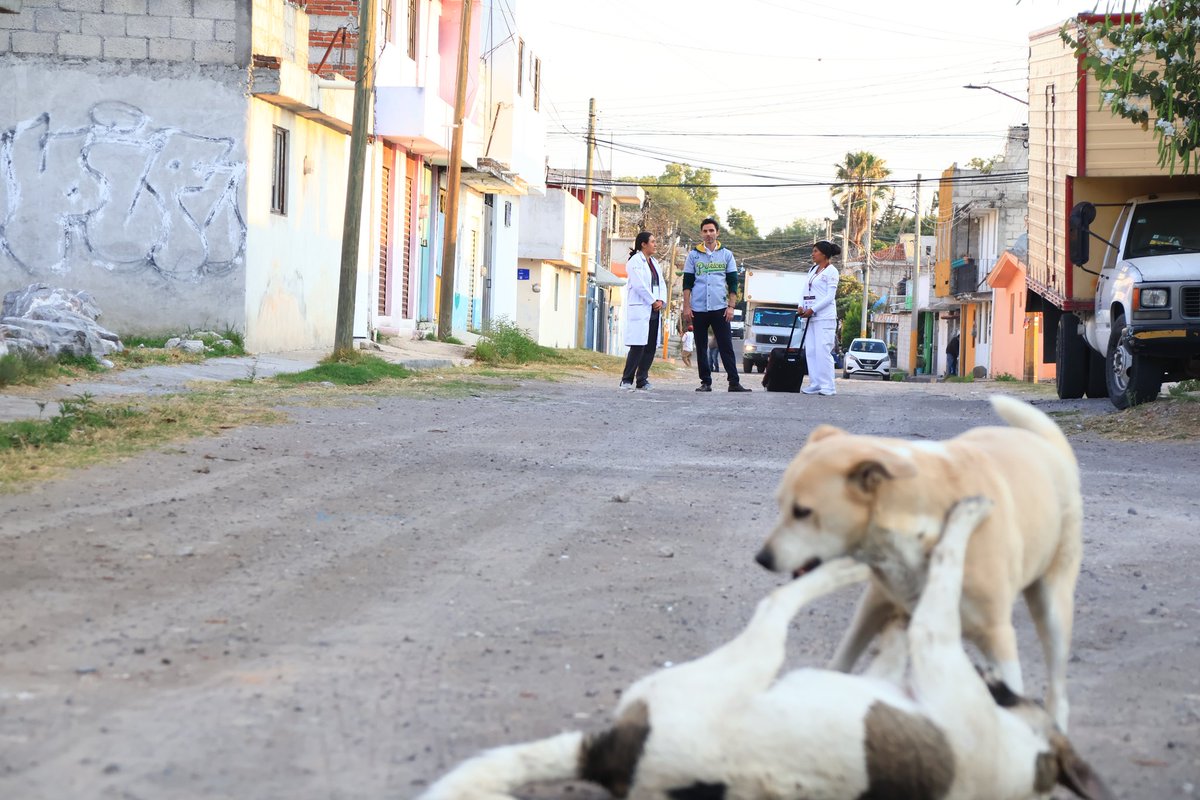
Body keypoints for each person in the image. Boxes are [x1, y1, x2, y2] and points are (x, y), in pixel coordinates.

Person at [682, 217, 751, 392]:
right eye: (705, 231)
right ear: (701, 233)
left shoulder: (726, 255)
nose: (708, 234)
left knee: (726, 346)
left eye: (711, 230)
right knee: (702, 345)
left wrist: (731, 306)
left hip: (720, 308)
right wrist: (686, 306)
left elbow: (733, 283)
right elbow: (687, 283)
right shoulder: (694, 255)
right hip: (698, 308)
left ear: (717, 232)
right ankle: (706, 381)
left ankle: (734, 382)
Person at [619, 231, 666, 390]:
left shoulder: (654, 262)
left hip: (654, 309)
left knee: (650, 346)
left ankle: (642, 379)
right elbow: (639, 285)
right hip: (642, 307)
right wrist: (652, 301)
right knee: (638, 346)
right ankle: (626, 379)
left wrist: (660, 300)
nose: (655, 244)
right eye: (652, 241)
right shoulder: (634, 262)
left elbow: (661, 284)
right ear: (643, 244)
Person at [798, 240, 842, 396]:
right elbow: (805, 290)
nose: (813, 254)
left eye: (815, 251)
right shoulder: (812, 269)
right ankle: (815, 383)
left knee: (823, 351)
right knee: (811, 351)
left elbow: (830, 297)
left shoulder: (832, 271)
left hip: (824, 317)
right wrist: (801, 306)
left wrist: (812, 309)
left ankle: (828, 386)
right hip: (810, 317)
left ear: (824, 254)